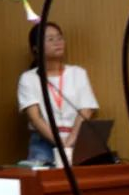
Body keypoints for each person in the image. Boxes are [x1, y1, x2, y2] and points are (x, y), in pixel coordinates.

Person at [17, 21, 98, 165]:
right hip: (43, 143)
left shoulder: (78, 73)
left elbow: (86, 110)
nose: (57, 42)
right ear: (36, 48)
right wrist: (60, 143)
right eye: (50, 39)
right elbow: (35, 118)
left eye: (60, 37)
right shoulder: (29, 78)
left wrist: (70, 142)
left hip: (77, 139)